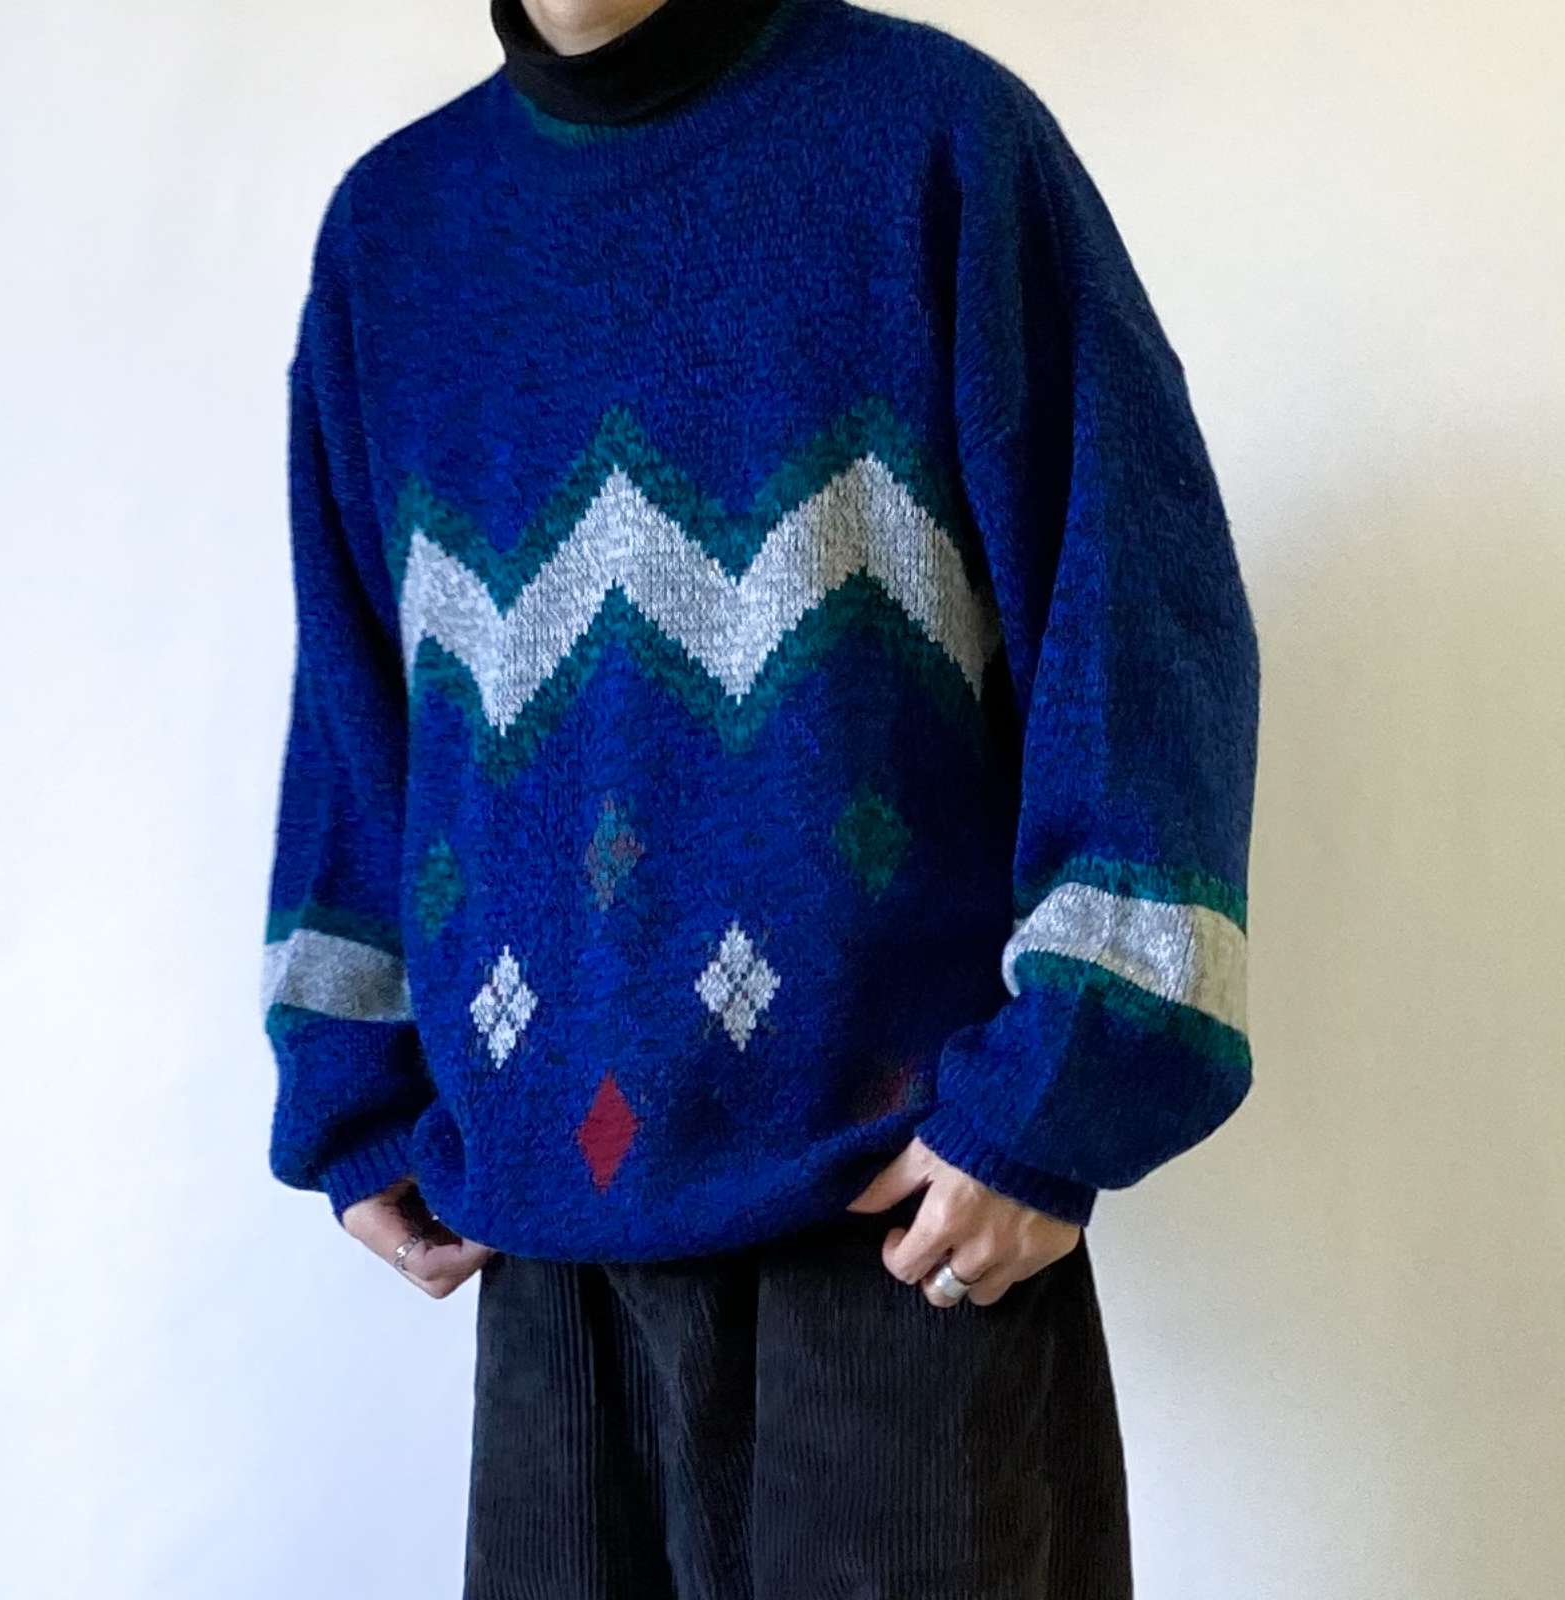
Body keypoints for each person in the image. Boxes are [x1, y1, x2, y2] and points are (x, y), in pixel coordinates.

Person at [257, 0, 1261, 1593]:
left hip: (905, 1232)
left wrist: (1065, 1088)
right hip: (549, 1249)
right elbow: (357, 687)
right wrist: (347, 1067)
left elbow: (1137, 618)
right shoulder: (395, 230)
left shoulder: (938, 142)